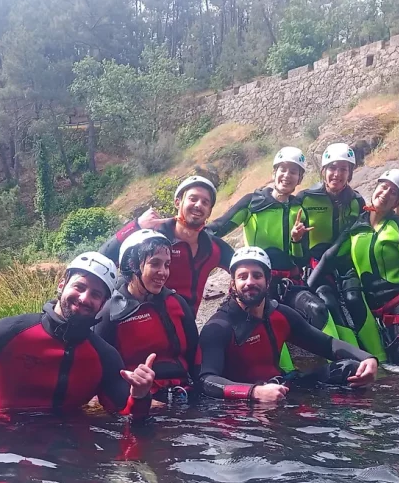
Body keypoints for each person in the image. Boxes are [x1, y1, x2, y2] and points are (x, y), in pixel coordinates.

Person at [0, 252, 155, 417]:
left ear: (103, 303)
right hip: (3, 440)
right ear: (62, 286)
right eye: (79, 287)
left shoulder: (105, 356)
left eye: (95, 294)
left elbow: (128, 415)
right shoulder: (10, 331)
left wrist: (141, 394)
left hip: (67, 448)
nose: (84, 298)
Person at [207, 147, 338, 368]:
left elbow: (301, 260)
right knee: (267, 321)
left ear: (300, 179)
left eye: (293, 172)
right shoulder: (252, 203)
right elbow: (218, 228)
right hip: (258, 282)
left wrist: (297, 240)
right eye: (283, 169)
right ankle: (282, 374)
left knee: (318, 309)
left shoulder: (299, 209)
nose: (287, 175)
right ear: (274, 172)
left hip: (289, 283)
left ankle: (338, 363)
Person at [198, 247, 380, 403]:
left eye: (257, 276)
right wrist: (254, 392)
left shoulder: (281, 314)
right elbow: (207, 381)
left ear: (268, 281)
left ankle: (355, 429)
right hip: (242, 404)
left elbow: (327, 344)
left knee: (352, 369)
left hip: (281, 389)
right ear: (233, 284)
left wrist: (368, 358)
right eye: (242, 276)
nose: (250, 282)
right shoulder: (219, 326)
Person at [308, 169, 399, 367]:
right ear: (376, 187)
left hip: (398, 305)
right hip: (368, 308)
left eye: (393, 192)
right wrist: (307, 288)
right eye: (384, 187)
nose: (386, 193)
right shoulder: (357, 225)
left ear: (397, 202)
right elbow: (330, 257)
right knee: (378, 364)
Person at [100, 176, 234, 315]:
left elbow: (244, 269)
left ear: (209, 211)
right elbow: (102, 260)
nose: (199, 205)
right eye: (193, 199)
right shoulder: (152, 239)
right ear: (178, 202)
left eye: (205, 202)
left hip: (186, 326)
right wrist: (136, 225)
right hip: (147, 321)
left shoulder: (213, 248)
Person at [95, 229, 199, 402]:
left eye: (167, 265)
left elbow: (196, 357)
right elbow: (100, 375)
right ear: (132, 265)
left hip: (183, 395)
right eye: (155, 263)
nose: (163, 272)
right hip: (139, 401)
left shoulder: (177, 303)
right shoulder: (110, 313)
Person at [299, 142, 367, 263]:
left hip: (347, 266)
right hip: (314, 266)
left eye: (343, 169)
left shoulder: (356, 201)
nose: (337, 174)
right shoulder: (305, 199)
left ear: (349, 173)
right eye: (332, 167)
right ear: (324, 170)